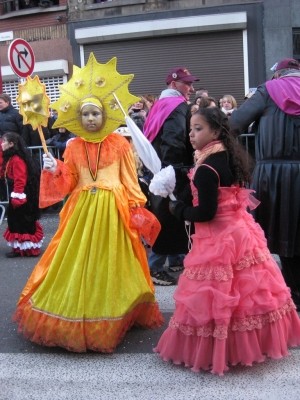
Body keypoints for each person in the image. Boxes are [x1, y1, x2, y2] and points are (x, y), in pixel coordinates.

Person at [13, 56, 163, 352]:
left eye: (96, 113)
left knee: (113, 262)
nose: (91, 118)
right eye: (86, 115)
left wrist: (136, 207)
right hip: (81, 211)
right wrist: (54, 166)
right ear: (78, 119)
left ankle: (117, 310)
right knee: (76, 260)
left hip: (114, 212)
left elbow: (130, 180)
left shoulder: (120, 144)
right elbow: (68, 182)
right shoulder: (73, 147)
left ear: (105, 115)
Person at [154, 106, 300, 375]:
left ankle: (221, 348)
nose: (191, 135)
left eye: (198, 129)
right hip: (240, 230)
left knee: (219, 296)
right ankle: (249, 344)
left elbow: (206, 212)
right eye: (190, 129)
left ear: (216, 131)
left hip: (219, 237)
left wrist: (179, 210)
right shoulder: (225, 156)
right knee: (246, 293)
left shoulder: (207, 167)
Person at [229, 57, 300, 310]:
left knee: (276, 234)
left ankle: (291, 293)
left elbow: (234, 124)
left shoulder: (268, 91)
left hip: (273, 175)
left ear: (278, 75)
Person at [143, 66, 199, 285]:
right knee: (170, 216)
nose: (192, 88)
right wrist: (176, 170)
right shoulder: (176, 106)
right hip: (171, 170)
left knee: (165, 215)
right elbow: (174, 139)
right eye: (188, 83)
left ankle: (175, 258)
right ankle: (156, 267)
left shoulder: (159, 105)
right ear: (174, 84)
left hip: (158, 168)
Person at [1, 132, 44, 257]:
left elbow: (20, 179)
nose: (1, 144)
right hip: (19, 193)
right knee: (16, 221)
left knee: (21, 221)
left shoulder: (17, 159)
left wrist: (17, 195)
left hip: (22, 195)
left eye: (4, 141)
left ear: (11, 144)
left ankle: (28, 249)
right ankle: (20, 248)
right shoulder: (11, 158)